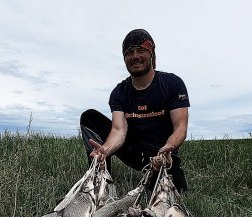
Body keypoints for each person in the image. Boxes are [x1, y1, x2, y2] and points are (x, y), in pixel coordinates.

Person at [80, 28, 190, 193]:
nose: (135, 56)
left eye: (141, 50)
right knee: (89, 117)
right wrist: (104, 150)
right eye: (129, 52)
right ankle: (100, 179)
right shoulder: (119, 92)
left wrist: (167, 149)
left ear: (151, 54)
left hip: (162, 154)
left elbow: (180, 128)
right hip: (133, 150)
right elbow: (118, 131)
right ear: (124, 58)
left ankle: (158, 174)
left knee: (176, 197)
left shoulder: (172, 84)